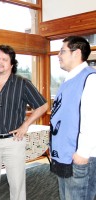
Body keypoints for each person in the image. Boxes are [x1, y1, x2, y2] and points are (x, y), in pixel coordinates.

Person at [0, 44, 48, 200]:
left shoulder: (22, 84)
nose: (0, 62)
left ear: (12, 64)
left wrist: (25, 125)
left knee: (17, 185)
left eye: (5, 59)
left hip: (13, 141)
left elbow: (43, 105)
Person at [50, 36, 96, 200]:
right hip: (66, 155)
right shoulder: (70, 79)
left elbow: (92, 119)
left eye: (62, 51)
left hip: (80, 158)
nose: (58, 55)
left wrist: (82, 154)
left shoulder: (90, 78)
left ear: (76, 53)